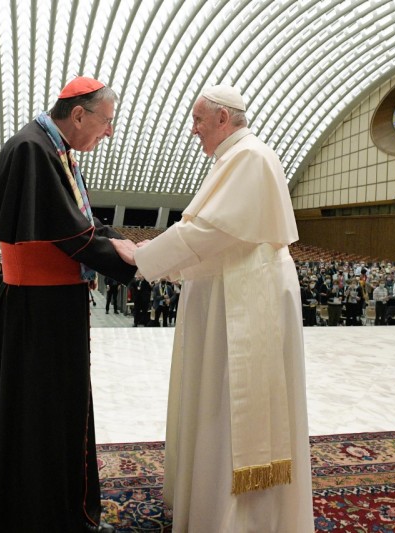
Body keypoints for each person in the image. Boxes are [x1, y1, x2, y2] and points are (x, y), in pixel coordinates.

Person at [113, 85, 314, 532]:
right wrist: (158, 256)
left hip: (246, 297)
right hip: (231, 289)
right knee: (217, 404)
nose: (194, 130)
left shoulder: (250, 157)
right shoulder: (233, 158)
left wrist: (144, 256)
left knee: (232, 407)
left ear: (223, 118)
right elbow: (206, 233)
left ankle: (242, 520)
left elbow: (209, 232)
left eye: (198, 120)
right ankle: (208, 507)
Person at [0, 76, 136, 533]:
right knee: (43, 416)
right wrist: (128, 257)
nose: (109, 132)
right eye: (106, 121)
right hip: (40, 309)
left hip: (50, 306)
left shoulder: (53, 147)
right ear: (79, 114)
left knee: (59, 411)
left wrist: (122, 242)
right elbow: (70, 233)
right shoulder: (34, 149)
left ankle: (62, 512)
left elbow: (81, 219)